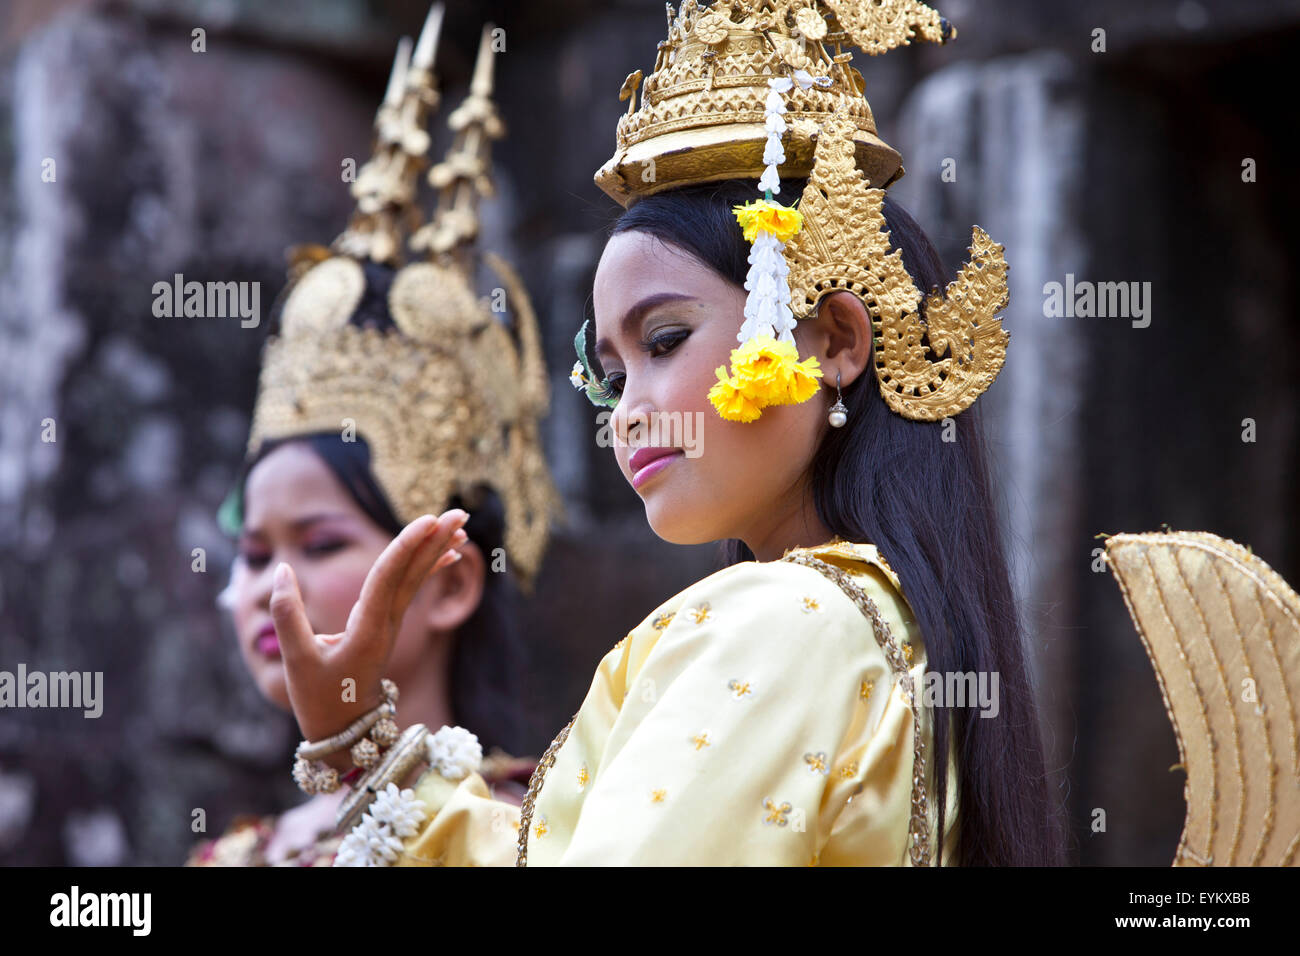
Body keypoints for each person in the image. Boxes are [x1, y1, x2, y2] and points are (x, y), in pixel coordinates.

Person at [271, 0, 1066, 866]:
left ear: (835, 340)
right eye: (609, 377)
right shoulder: (885, 623)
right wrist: (364, 747)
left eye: (663, 342)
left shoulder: (784, 621)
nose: (630, 410)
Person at [186, 8, 558, 866]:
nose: (269, 587)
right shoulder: (232, 857)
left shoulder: (536, 826)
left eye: (318, 543)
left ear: (451, 581)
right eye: (248, 554)